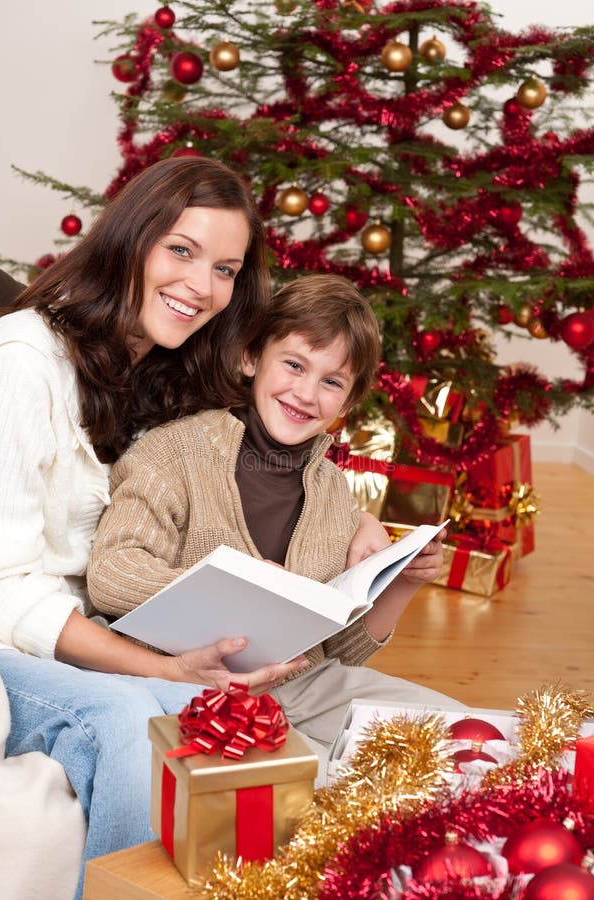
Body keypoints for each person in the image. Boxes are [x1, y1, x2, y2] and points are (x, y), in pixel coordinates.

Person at [0, 159, 388, 899]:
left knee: (238, 731)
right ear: (131, 241)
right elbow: (6, 591)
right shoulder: (23, 360)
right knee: (124, 723)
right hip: (13, 639)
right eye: (181, 250)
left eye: (225, 268)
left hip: (99, 632)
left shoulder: (162, 364)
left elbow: (267, 442)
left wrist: (358, 514)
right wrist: (161, 670)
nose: (201, 286)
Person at [88, 273, 464, 783]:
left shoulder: (332, 492)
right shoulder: (175, 453)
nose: (306, 393)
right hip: (193, 685)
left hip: (306, 685)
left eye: (331, 382)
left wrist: (403, 585)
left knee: (458, 732)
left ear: (348, 403)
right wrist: (237, 582)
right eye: (293, 365)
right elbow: (112, 573)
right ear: (250, 359)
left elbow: (338, 651)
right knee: (329, 781)